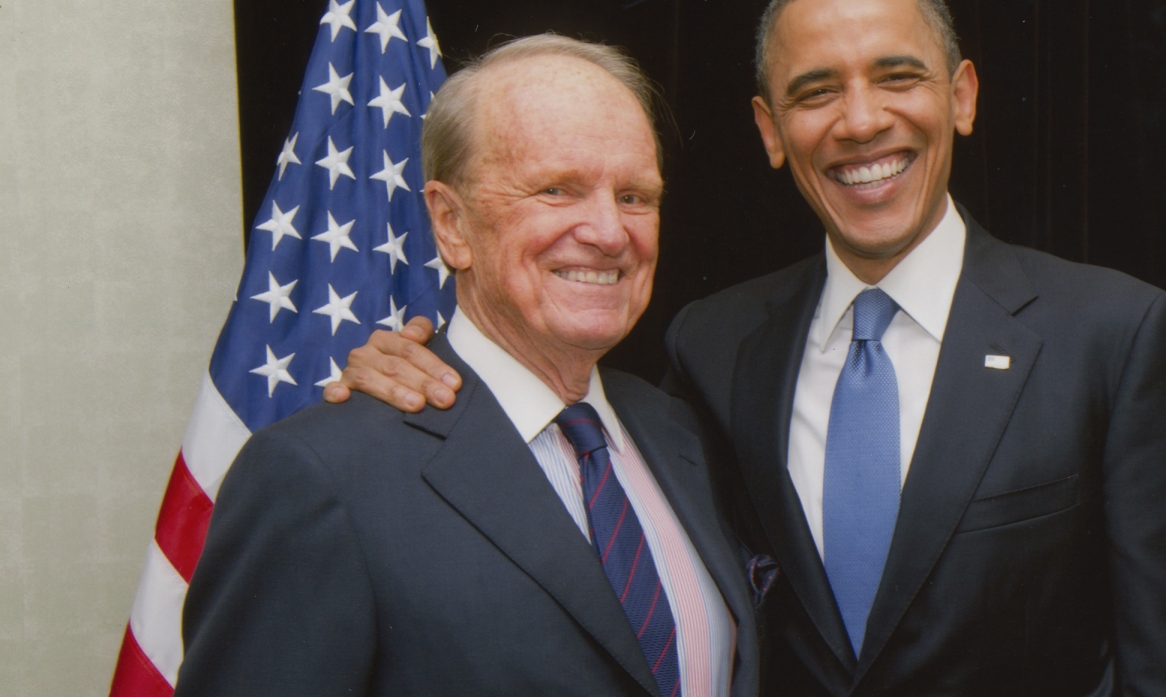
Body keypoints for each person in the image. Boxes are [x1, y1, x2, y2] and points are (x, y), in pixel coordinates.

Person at [332, 0, 1166, 694]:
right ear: (771, 132)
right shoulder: (712, 344)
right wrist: (409, 370)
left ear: (962, 97)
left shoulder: (1115, 335)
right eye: (815, 93)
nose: (860, 121)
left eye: (898, 78)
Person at [175, 35, 758, 697]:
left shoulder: (681, 435)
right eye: (557, 190)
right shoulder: (321, 478)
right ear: (450, 223)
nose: (608, 231)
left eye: (634, 196)